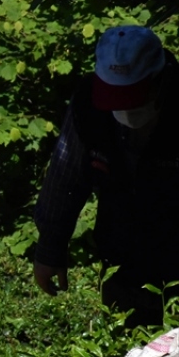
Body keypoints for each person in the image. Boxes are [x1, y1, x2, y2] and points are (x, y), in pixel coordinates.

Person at [33, 25, 179, 327]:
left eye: (134, 97)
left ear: (159, 79)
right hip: (121, 260)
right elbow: (65, 174)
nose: (125, 109)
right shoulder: (89, 103)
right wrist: (50, 248)